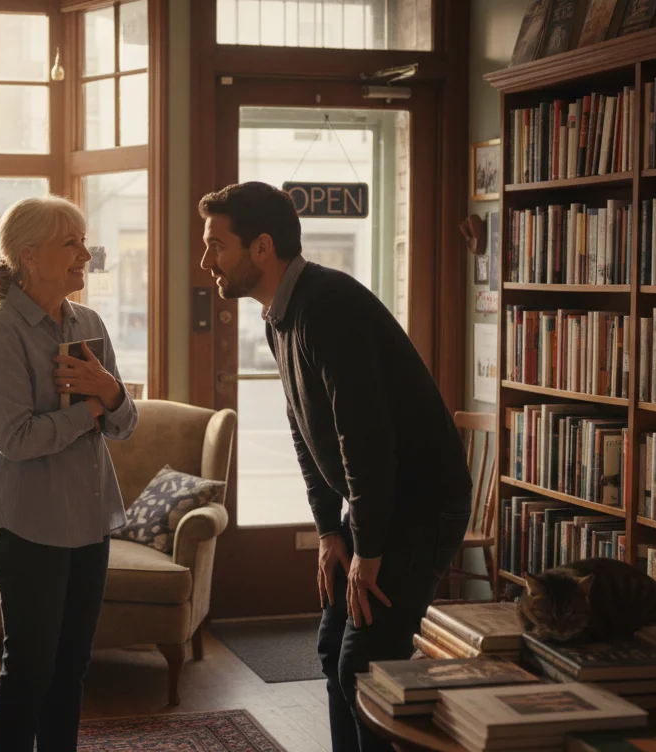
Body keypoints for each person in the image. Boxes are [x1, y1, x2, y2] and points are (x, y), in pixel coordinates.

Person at [197, 181, 472, 752]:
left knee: (364, 666)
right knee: (332, 652)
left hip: (420, 504)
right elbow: (304, 431)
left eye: (216, 245)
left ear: (262, 248)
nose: (207, 261)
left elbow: (365, 439)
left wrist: (367, 552)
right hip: (376, 502)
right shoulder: (280, 314)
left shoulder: (329, 307)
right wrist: (328, 531)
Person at [0, 195, 138, 752]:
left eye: (83, 242)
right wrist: (90, 407)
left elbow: (125, 423)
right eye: (71, 243)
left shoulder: (88, 322)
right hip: (30, 527)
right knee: (29, 673)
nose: (85, 254)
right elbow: (16, 441)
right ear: (29, 256)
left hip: (89, 521)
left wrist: (110, 394)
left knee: (71, 671)